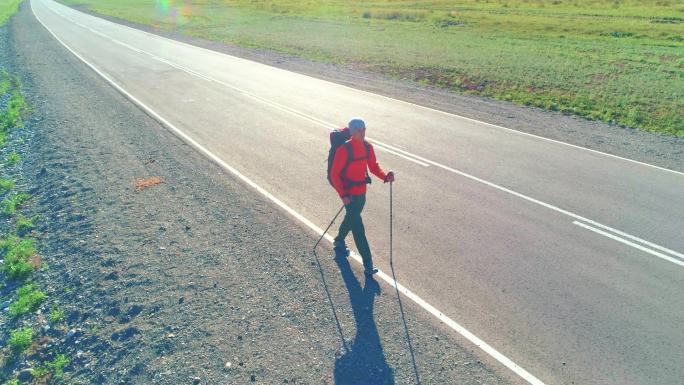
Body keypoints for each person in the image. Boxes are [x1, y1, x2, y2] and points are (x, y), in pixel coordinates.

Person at [330, 118, 395, 277]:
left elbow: (373, 167)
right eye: (359, 129)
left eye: (364, 128)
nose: (362, 132)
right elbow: (334, 174)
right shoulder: (344, 150)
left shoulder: (367, 147)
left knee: (352, 218)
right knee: (358, 227)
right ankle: (368, 263)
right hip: (349, 193)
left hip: (361, 193)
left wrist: (385, 176)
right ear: (352, 132)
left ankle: (339, 239)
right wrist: (343, 195)